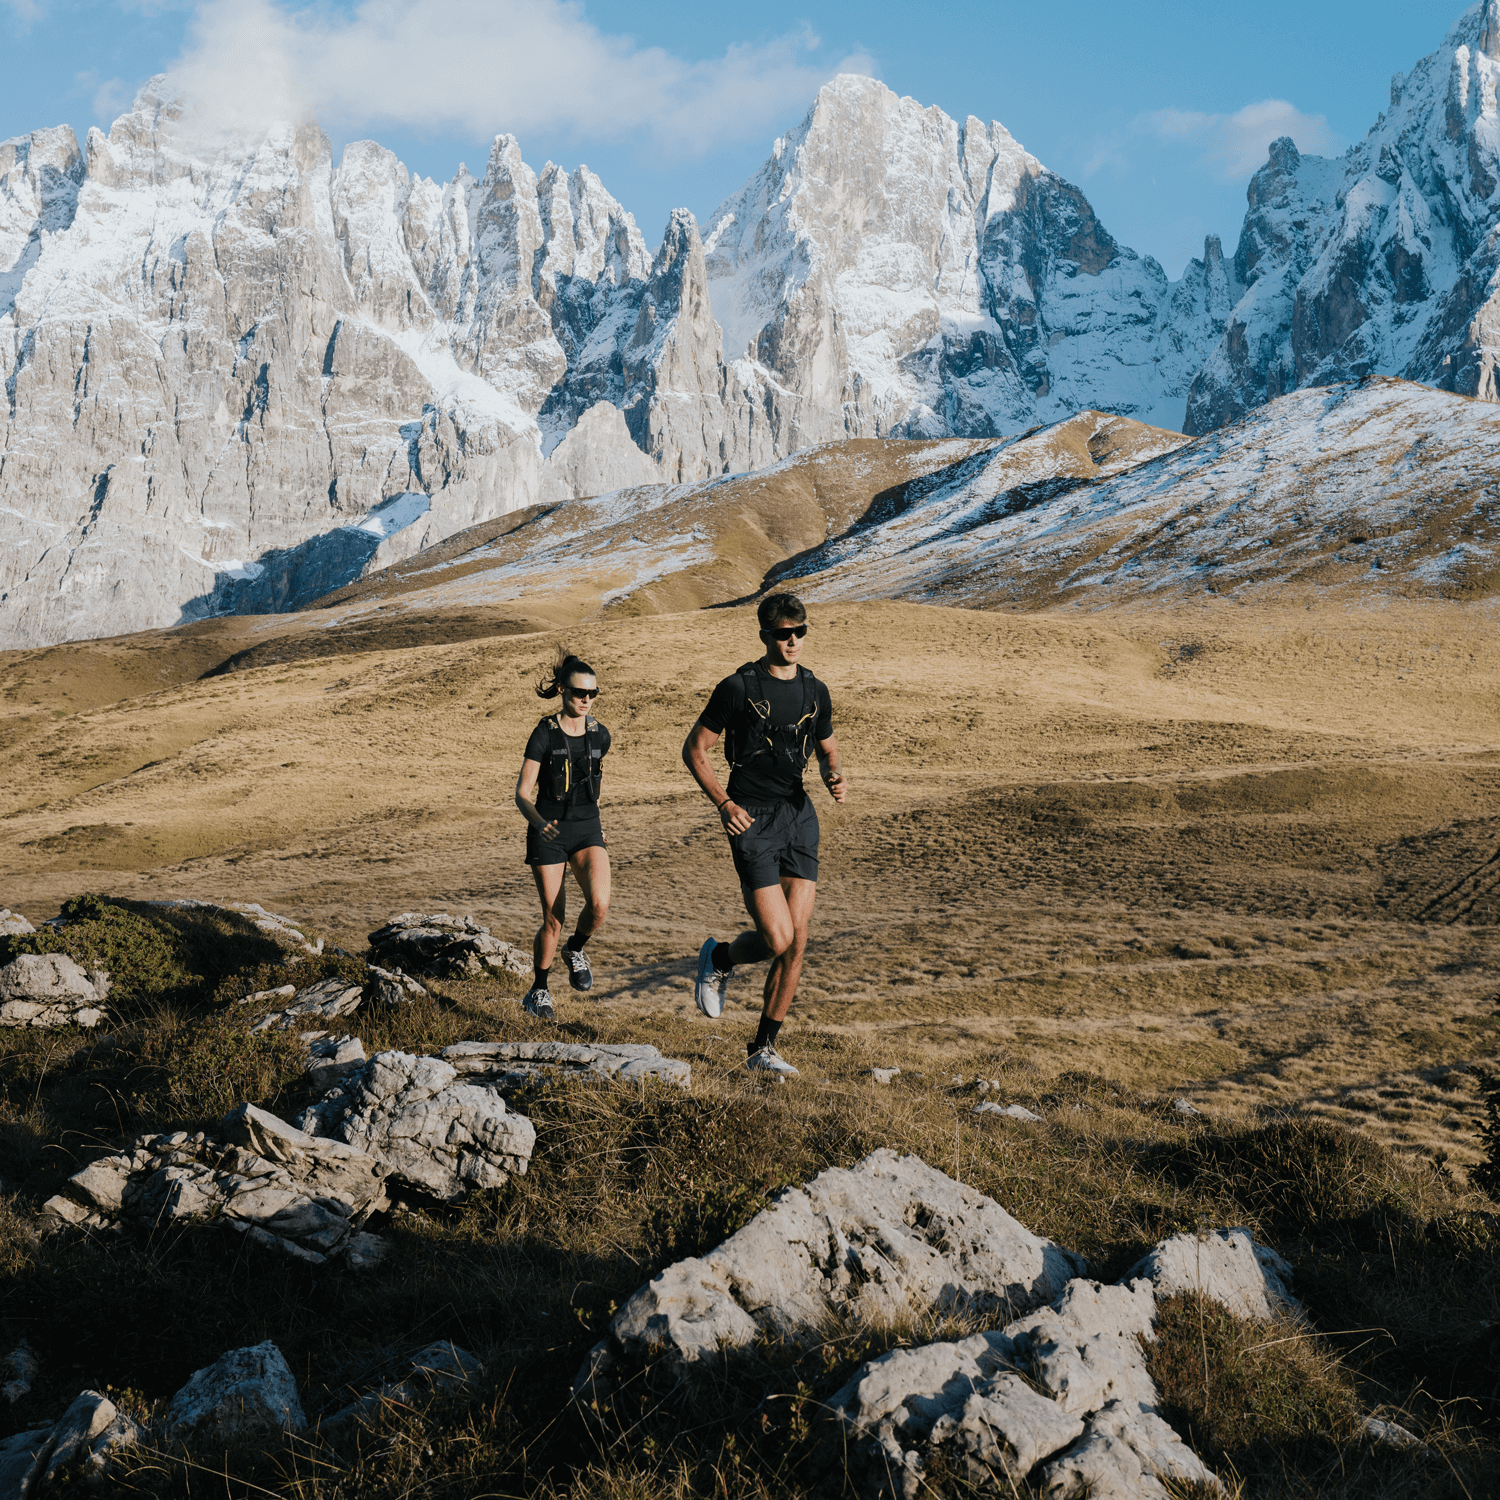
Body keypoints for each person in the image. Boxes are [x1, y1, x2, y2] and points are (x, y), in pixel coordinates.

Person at [681, 592, 847, 1077]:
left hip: (799, 816)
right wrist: (724, 803)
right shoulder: (738, 686)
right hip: (751, 817)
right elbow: (695, 749)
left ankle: (762, 1050)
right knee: (777, 938)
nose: (792, 640)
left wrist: (833, 774)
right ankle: (720, 956)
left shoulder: (815, 690)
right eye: (783, 633)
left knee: (798, 941)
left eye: (800, 631)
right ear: (765, 635)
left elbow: (828, 748)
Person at [514, 651, 612, 1020]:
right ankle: (539, 990)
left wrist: (595, 818)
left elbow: (596, 781)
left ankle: (575, 949)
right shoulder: (543, 734)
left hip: (587, 827)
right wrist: (539, 823)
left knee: (599, 904)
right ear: (562, 691)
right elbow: (523, 793)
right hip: (549, 830)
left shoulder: (600, 734)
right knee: (554, 918)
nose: (586, 699)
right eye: (578, 692)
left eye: (593, 693)